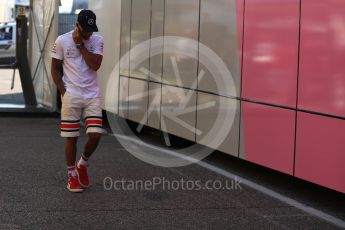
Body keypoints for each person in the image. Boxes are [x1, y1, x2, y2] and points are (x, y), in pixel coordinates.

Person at [51, 9, 104, 193]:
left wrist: (81, 45)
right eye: (86, 29)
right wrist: (63, 91)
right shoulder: (62, 40)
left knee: (96, 134)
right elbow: (55, 69)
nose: (89, 33)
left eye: (92, 29)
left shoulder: (97, 40)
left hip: (92, 95)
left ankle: (82, 164)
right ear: (78, 25)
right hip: (71, 95)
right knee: (71, 138)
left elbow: (95, 65)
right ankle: (71, 174)